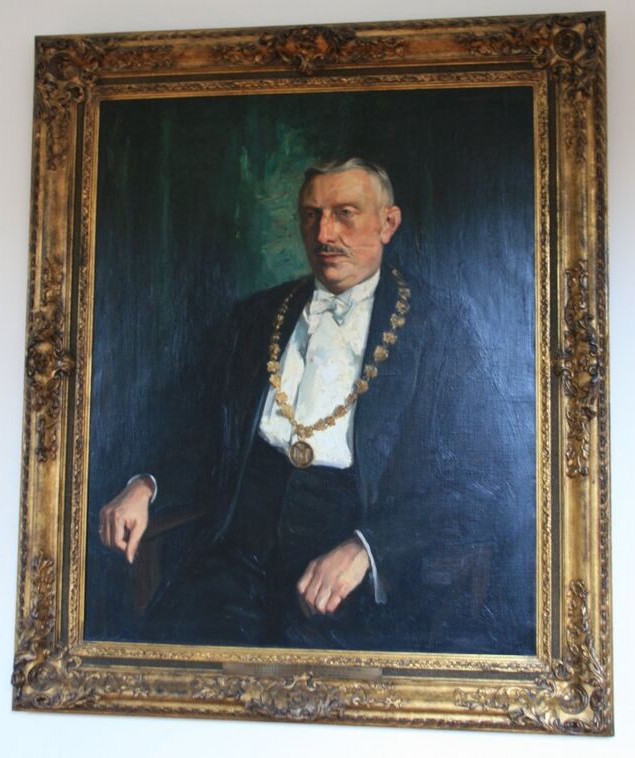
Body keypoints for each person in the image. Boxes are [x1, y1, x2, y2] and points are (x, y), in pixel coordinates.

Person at [99, 158, 534, 653]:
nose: (324, 234)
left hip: (358, 590)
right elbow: (204, 436)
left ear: (388, 223)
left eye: (345, 213)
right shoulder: (256, 316)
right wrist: (146, 484)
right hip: (235, 564)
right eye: (312, 215)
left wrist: (368, 548)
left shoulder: (440, 329)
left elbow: (484, 485)